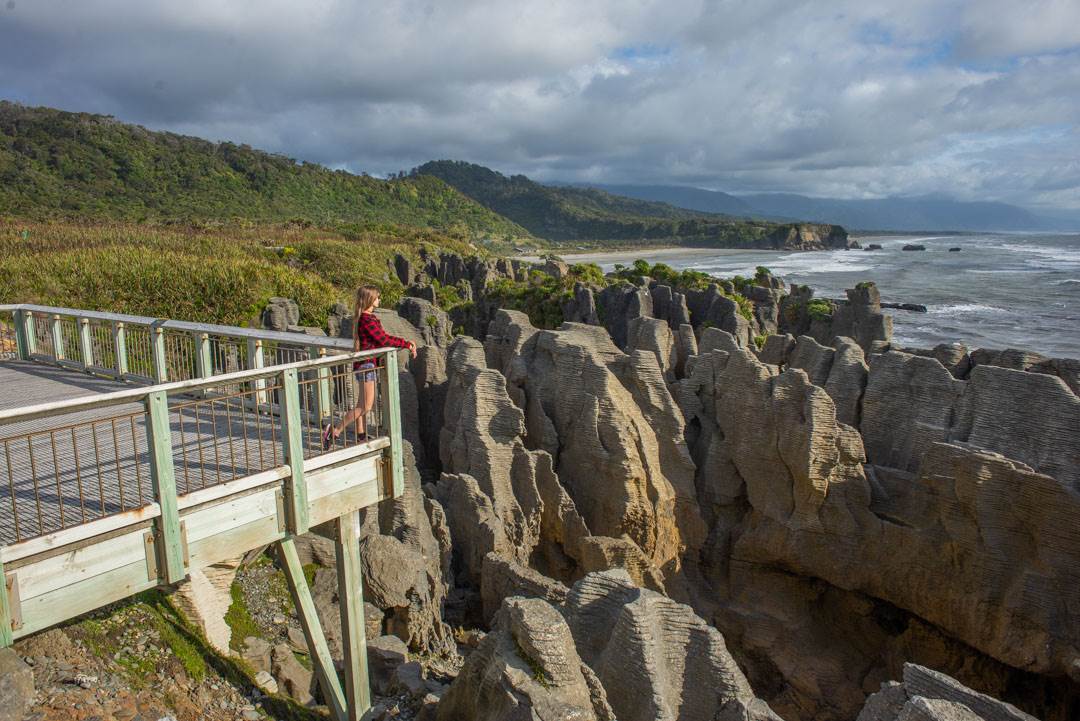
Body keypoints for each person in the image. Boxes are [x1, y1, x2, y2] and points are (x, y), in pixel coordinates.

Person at [323, 285, 415, 449]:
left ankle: (361, 436)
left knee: (361, 404)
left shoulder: (363, 318)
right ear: (370, 299)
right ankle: (335, 431)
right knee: (365, 406)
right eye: (378, 297)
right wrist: (406, 343)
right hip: (367, 366)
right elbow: (384, 341)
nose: (380, 300)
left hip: (363, 365)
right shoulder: (367, 320)